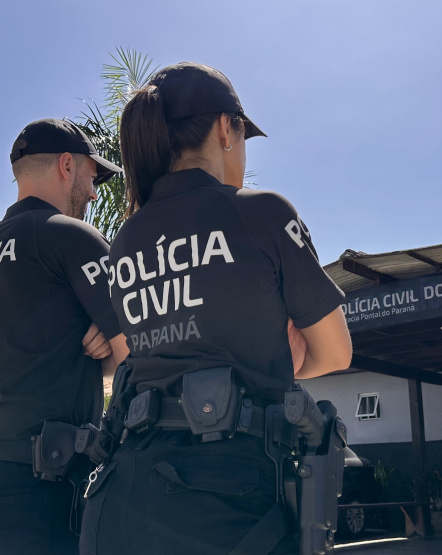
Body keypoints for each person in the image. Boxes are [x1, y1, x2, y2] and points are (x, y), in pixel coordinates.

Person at [78, 62, 352, 555]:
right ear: (227, 128)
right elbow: (335, 353)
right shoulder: (260, 212)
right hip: (229, 505)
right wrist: (281, 355)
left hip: (118, 501)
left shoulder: (123, 242)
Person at [0, 119, 130, 555]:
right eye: (92, 176)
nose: (96, 191)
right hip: (38, 489)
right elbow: (135, 353)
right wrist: (108, 343)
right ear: (67, 165)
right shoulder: (70, 235)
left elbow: (21, 348)